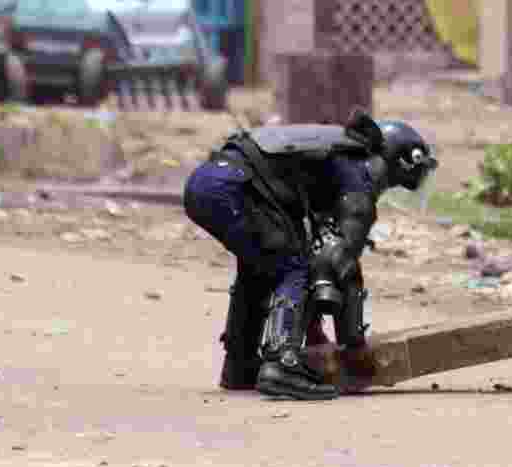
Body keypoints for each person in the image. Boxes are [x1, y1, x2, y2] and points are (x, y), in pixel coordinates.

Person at [183, 109, 437, 401]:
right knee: (293, 267)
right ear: (398, 161)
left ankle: (240, 364)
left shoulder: (334, 154)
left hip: (209, 182)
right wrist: (352, 346)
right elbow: (338, 259)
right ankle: (283, 364)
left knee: (263, 267)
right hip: (231, 188)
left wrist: (315, 331)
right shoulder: (358, 170)